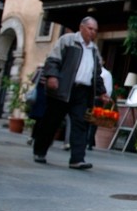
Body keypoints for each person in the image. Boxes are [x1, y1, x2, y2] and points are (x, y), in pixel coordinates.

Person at [32, 16, 109, 170]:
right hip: (63, 88)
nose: (93, 32)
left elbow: (97, 74)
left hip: (82, 92)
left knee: (80, 124)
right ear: (81, 27)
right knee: (51, 122)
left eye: (95, 30)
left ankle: (77, 159)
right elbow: (53, 60)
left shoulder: (94, 50)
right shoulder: (67, 40)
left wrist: (102, 92)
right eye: (90, 28)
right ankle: (40, 151)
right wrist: (52, 76)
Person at [87, 65, 113, 150]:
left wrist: (105, 98)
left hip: (98, 99)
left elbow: (108, 89)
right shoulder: (89, 70)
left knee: (93, 121)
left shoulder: (106, 73)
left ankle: (89, 142)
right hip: (88, 97)